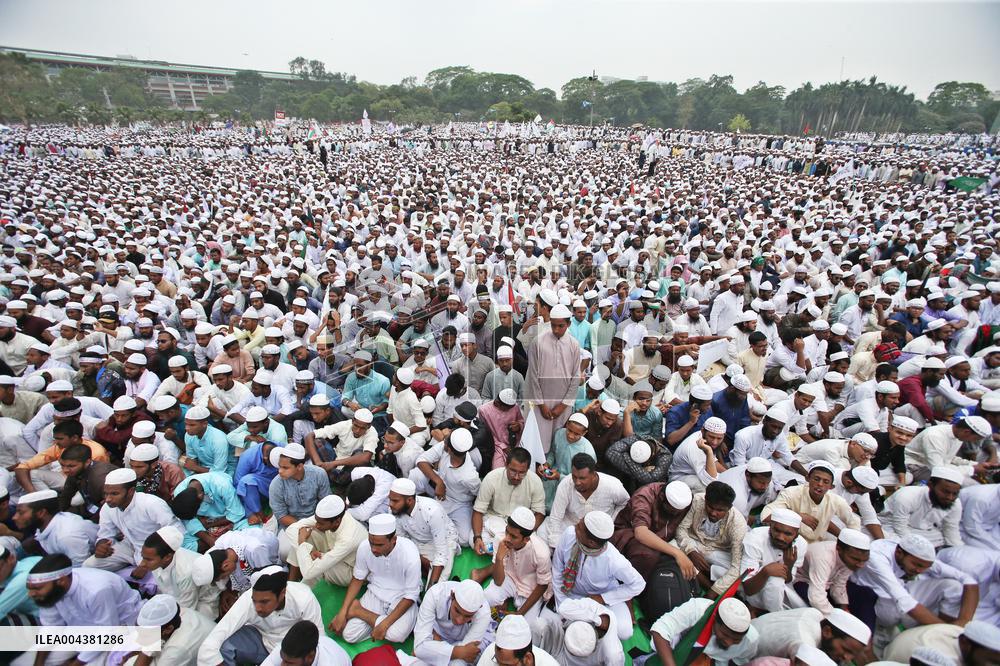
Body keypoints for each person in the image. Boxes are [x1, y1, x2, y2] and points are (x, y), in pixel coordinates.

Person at [847, 534, 979, 632]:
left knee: (953, 587)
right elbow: (904, 601)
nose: (919, 570)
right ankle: (941, 631)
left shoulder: (916, 556)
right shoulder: (877, 558)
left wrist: (964, 621)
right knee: (895, 609)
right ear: (899, 553)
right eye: (917, 565)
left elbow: (969, 580)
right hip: (874, 601)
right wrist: (947, 631)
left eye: (924, 567)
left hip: (901, 593)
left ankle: (949, 628)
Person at [27, 554, 144, 664]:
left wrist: (76, 663)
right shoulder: (50, 592)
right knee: (25, 662)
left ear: (61, 581)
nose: (31, 594)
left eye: (37, 588)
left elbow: (107, 632)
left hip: (118, 629)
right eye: (30, 588)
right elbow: (51, 627)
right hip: (79, 630)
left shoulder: (96, 589)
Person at [198, 566, 323, 666]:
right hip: (262, 642)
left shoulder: (304, 598)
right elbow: (216, 637)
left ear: (282, 593)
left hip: (293, 653)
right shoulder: (248, 600)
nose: (257, 607)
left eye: (264, 602)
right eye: (255, 601)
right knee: (224, 645)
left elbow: (320, 641)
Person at [551, 511, 645, 641]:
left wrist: (603, 597)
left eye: (580, 527)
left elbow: (639, 584)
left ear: (591, 542)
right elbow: (557, 568)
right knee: (552, 624)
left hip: (604, 600)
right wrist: (563, 603)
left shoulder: (614, 560)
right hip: (573, 595)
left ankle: (594, 621)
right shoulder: (569, 534)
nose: (575, 526)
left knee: (625, 631)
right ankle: (593, 623)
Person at [330, 513, 421, 644]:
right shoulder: (364, 547)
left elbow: (411, 595)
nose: (373, 549)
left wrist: (384, 625)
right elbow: (357, 579)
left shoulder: (410, 553)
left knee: (397, 635)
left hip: (401, 596)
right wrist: (342, 612)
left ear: (393, 540)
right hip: (376, 592)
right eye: (371, 543)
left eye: (379, 545)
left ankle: (358, 611)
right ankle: (361, 613)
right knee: (349, 635)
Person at [86, 467, 185, 576]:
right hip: (130, 545)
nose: (108, 499)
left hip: (157, 551)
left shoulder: (151, 504)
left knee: (162, 582)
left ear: (131, 491)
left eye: (114, 494)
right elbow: (105, 534)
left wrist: (146, 563)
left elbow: (177, 532)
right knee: (89, 566)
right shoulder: (107, 507)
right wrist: (102, 545)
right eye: (106, 494)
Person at [676, 480, 748, 597]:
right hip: (695, 543)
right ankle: (704, 581)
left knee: (740, 573)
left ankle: (708, 580)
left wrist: (711, 594)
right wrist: (691, 551)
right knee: (672, 546)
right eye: (710, 507)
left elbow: (736, 566)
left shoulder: (738, 524)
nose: (714, 513)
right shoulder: (697, 501)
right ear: (705, 500)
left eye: (720, 510)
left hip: (719, 551)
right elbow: (681, 529)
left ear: (729, 508)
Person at [611, 480, 693, 579]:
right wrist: (677, 553)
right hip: (628, 535)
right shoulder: (644, 495)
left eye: (679, 512)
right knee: (647, 554)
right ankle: (629, 586)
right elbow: (641, 533)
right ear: (662, 498)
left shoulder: (687, 501)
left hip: (665, 540)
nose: (675, 515)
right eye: (673, 511)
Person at [762, 462, 862, 543]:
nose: (820, 484)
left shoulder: (836, 501)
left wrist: (849, 542)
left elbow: (854, 523)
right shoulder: (791, 492)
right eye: (816, 479)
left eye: (826, 482)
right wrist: (798, 516)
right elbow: (765, 516)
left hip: (816, 544)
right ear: (807, 478)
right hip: (787, 542)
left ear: (831, 487)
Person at [388, 477, 460, 587]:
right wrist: (419, 558)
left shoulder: (432, 511)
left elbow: (441, 552)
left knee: (436, 586)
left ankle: (436, 584)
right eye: (390, 499)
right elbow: (403, 540)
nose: (390, 504)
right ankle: (424, 575)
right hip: (416, 542)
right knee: (397, 570)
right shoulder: (395, 510)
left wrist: (431, 587)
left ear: (409, 501)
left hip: (444, 540)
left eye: (395, 501)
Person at [139, 525, 220, 618]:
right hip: (179, 598)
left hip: (202, 601)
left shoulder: (186, 572)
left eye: (148, 559)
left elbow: (187, 607)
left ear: (167, 557)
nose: (142, 564)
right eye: (143, 557)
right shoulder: (157, 560)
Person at [650, 597, 757, 666]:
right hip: (678, 650)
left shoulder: (751, 640)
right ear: (715, 621)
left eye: (736, 640)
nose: (729, 643)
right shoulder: (697, 609)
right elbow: (660, 630)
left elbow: (740, 661)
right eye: (725, 635)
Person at [740, 508, 808, 613]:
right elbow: (748, 589)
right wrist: (766, 572)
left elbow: (788, 581)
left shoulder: (801, 544)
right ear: (770, 526)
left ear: (796, 535)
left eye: (788, 534)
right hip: (753, 589)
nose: (781, 537)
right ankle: (771, 614)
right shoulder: (755, 538)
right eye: (777, 530)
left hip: (779, 591)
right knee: (776, 581)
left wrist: (789, 566)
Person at [793, 528, 872, 617]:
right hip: (804, 582)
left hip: (826, 584)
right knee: (820, 611)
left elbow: (839, 584)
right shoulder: (823, 556)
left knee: (867, 594)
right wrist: (838, 619)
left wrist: (844, 609)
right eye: (856, 560)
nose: (860, 565)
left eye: (864, 561)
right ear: (839, 549)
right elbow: (816, 597)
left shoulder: (850, 559)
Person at [881, 465, 964, 548]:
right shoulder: (907, 496)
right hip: (892, 526)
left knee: (942, 539)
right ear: (930, 485)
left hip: (921, 531)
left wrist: (957, 550)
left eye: (955, 494)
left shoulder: (955, 504)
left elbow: (950, 528)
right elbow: (900, 527)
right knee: (893, 541)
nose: (950, 497)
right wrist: (916, 547)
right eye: (945, 492)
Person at [413, 580, 490, 666]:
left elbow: (467, 653)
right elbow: (419, 648)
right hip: (437, 633)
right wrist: (458, 651)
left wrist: (433, 650)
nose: (459, 620)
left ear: (479, 608)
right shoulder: (435, 594)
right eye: (457, 611)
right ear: (452, 596)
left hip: (461, 641)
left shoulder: (484, 614)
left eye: (467, 616)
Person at [12, 488, 97, 566]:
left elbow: (82, 569)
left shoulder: (67, 535)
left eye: (21, 513)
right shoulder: (46, 524)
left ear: (41, 513)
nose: (14, 517)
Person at [477, 613, 560, 665]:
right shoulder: (491, 652)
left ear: (528, 659)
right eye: (497, 662)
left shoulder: (549, 663)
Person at [261, 619, 351, 666]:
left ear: (310, 657)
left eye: (289, 663)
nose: (282, 665)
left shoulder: (330, 663)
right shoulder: (289, 650)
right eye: (282, 659)